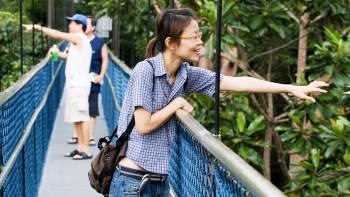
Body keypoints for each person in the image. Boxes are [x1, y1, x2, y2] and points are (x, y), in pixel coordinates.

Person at [109, 8, 328, 197]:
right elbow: (144, 125)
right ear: (171, 43)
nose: (200, 42)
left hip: (160, 180)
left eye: (200, 35)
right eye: (193, 37)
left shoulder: (185, 74)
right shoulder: (144, 71)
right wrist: (176, 104)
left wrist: (291, 88)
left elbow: (237, 82)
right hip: (132, 181)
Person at [23, 14, 93, 160]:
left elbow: (57, 34)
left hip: (79, 85)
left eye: (72, 23)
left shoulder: (79, 37)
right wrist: (56, 53)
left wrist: (37, 27)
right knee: (77, 118)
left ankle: (86, 149)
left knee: (82, 117)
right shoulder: (75, 42)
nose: (69, 26)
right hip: (74, 84)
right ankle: (80, 147)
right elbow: (67, 56)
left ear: (80, 26)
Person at [67, 15, 108, 146]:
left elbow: (105, 59)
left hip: (93, 79)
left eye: (88, 23)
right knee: (78, 108)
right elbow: (67, 55)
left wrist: (101, 75)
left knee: (91, 109)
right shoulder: (75, 39)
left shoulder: (100, 42)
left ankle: (89, 136)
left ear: (93, 27)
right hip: (79, 80)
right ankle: (77, 135)